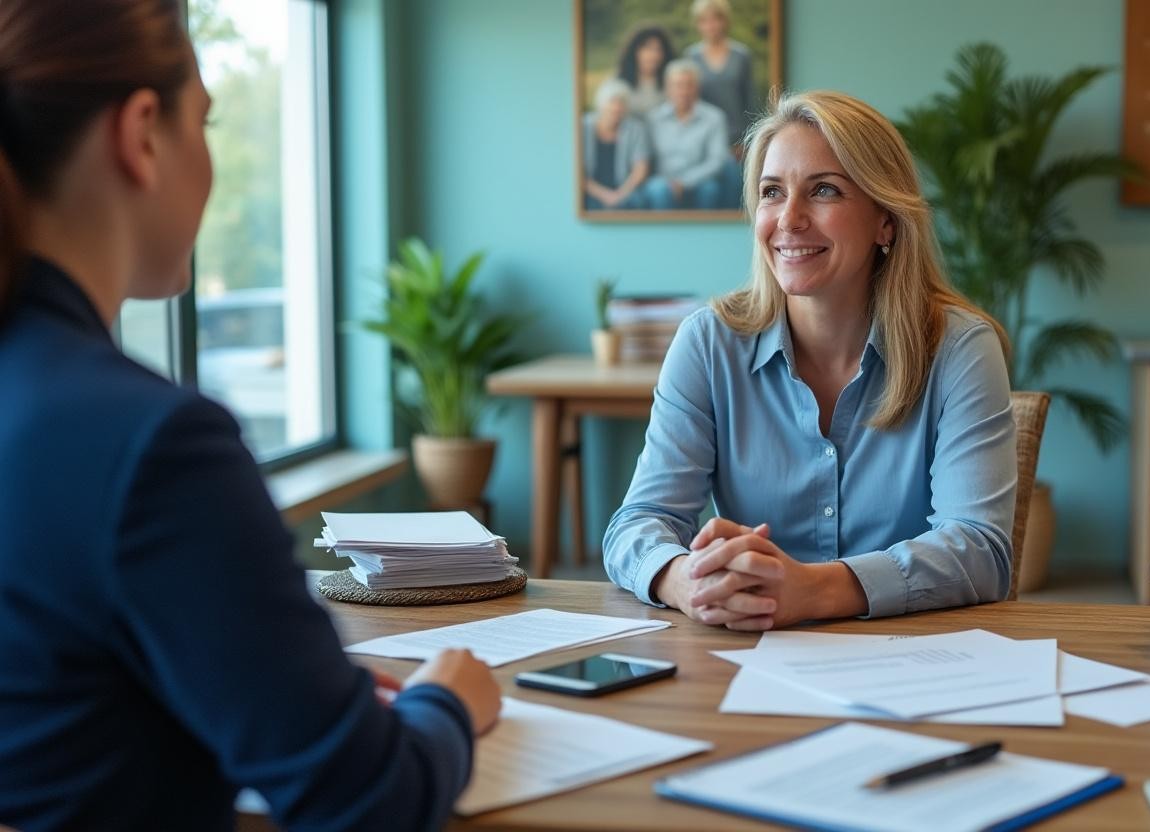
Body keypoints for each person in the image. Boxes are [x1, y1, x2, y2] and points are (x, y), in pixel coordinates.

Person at [0, 2, 499, 830]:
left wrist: (289, 685)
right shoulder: (153, 445)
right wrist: (445, 703)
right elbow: (369, 803)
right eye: (207, 122)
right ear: (142, 134)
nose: (211, 161)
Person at [604, 90, 1016, 631]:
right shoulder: (708, 344)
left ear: (885, 222)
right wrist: (687, 580)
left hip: (914, 656)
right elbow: (639, 523)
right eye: (772, 192)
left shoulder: (960, 348)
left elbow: (980, 550)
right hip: (745, 647)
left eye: (824, 190)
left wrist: (814, 590)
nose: (789, 219)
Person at [642, 59, 741, 210]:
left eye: (689, 85)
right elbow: (646, 158)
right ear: (668, 88)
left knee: (710, 190)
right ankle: (662, 234)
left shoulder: (714, 117)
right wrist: (671, 183)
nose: (684, 91)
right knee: (657, 189)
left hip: (701, 179)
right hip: (664, 180)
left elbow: (717, 160)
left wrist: (685, 182)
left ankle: (707, 234)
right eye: (678, 85)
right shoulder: (654, 119)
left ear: (697, 88)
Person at [683, 0, 754, 149]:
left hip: (735, 140)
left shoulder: (741, 56)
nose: (711, 25)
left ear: (725, 21)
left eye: (715, 19)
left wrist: (747, 141)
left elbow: (750, 100)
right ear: (697, 24)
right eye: (704, 20)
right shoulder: (690, 57)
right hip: (701, 139)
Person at [583, 78, 651, 210]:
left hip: (625, 190)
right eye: (612, 102)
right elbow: (577, 171)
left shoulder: (635, 129)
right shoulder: (584, 126)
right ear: (601, 104)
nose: (617, 108)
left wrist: (619, 195)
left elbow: (641, 169)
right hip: (591, 190)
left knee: (635, 201)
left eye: (621, 103)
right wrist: (604, 195)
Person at [614, 23, 674, 117]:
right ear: (635, 51)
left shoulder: (671, 83)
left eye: (659, 49)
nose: (654, 55)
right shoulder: (618, 84)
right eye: (648, 48)